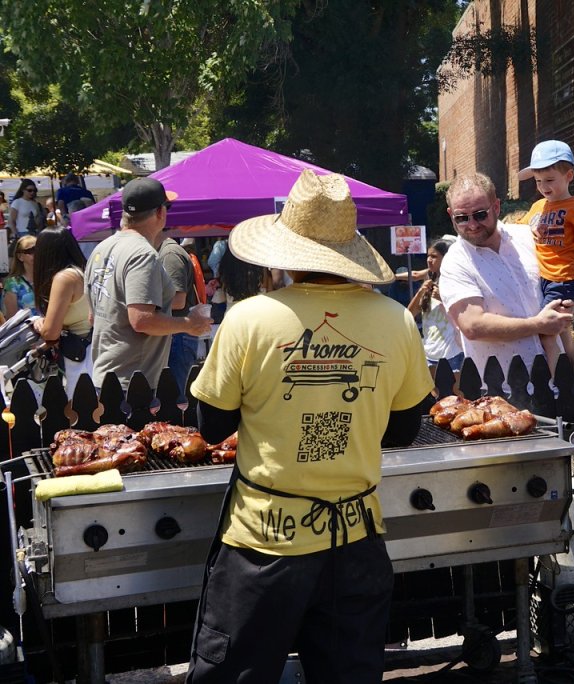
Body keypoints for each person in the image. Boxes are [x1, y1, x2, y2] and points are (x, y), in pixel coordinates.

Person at [185, 170, 433, 683]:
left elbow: (210, 426)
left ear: (284, 251)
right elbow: (405, 429)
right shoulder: (396, 320)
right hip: (356, 542)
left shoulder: (249, 318)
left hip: (264, 544)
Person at [439, 172, 574, 377]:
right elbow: (473, 326)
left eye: (480, 214)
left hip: (558, 378)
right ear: (450, 215)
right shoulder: (455, 262)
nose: (472, 224)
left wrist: (565, 303)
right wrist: (539, 325)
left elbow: (556, 279)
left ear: (496, 207)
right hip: (506, 392)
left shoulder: (528, 237)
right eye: (462, 218)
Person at [85, 177, 212, 390]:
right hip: (133, 382)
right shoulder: (143, 254)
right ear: (160, 213)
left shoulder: (102, 249)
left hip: (105, 375)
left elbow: (92, 317)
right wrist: (190, 324)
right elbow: (142, 321)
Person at [519, 140, 574, 371]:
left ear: (569, 175)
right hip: (538, 280)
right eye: (538, 181)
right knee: (564, 336)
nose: (543, 186)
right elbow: (518, 231)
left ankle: (552, 387)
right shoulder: (537, 207)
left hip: (562, 280)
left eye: (550, 180)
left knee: (546, 333)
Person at [31, 226, 92, 390]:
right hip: (91, 351)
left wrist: (41, 324)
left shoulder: (64, 278)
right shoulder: (81, 272)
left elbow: (50, 333)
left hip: (80, 357)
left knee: (77, 411)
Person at [407, 238, 464, 381]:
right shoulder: (429, 282)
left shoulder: (456, 281)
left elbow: (465, 315)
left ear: (447, 258)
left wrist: (443, 299)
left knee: (454, 399)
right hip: (429, 353)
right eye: (428, 256)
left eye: (434, 256)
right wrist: (421, 292)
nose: (429, 260)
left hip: (452, 353)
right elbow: (409, 315)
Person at [158, 237, 202, 402]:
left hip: (178, 336)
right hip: (177, 334)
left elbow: (177, 301)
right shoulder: (167, 252)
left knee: (178, 399)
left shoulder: (169, 254)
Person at [4, 235, 36, 318]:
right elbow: (12, 318)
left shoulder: (49, 278)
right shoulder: (12, 283)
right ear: (20, 257)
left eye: (38, 249)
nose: (36, 254)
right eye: (31, 251)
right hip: (25, 329)